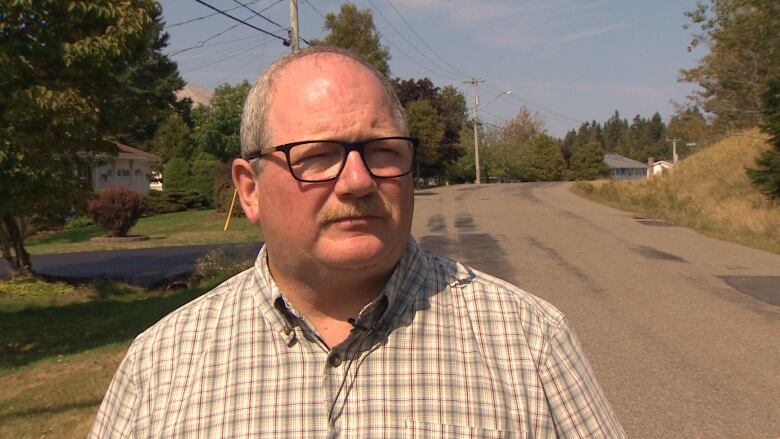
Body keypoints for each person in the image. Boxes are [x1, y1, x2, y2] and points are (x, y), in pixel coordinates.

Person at [90, 46, 624, 438]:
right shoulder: (160, 366)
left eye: (383, 150)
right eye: (317, 155)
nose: (358, 180)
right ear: (249, 191)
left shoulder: (529, 343)